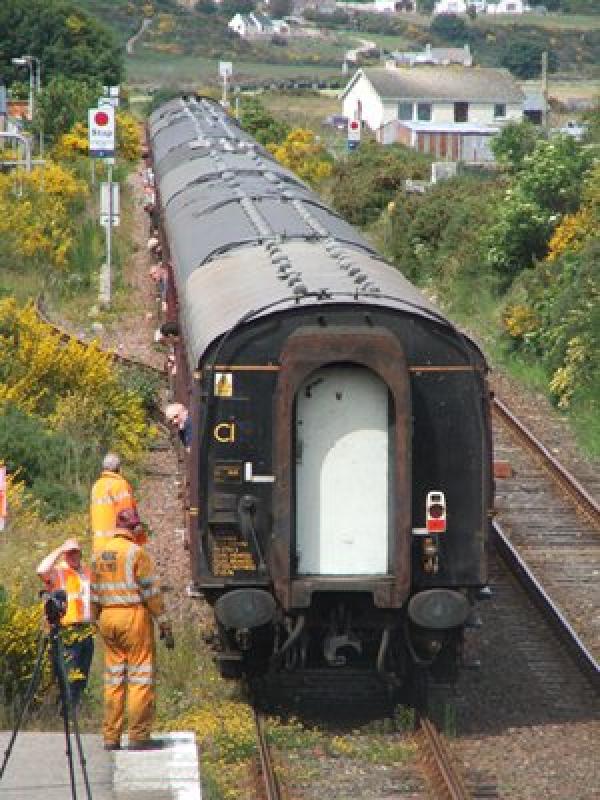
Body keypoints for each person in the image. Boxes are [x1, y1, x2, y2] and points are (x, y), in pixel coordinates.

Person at [91, 508, 174, 751]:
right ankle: (138, 736)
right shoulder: (136, 553)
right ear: (134, 529)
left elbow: (93, 592)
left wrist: (96, 618)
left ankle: (111, 736)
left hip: (107, 617)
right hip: (132, 617)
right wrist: (165, 624)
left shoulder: (98, 554)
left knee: (114, 679)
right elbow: (151, 593)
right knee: (139, 678)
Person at [36, 539, 94, 709]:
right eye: (69, 553)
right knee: (68, 675)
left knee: (82, 676)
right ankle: (65, 713)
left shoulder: (87, 572)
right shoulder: (58, 572)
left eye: (75, 552)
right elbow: (41, 570)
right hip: (66, 631)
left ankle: (72, 712)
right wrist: (60, 549)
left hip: (86, 630)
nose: (73, 556)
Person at [90, 453, 138, 552]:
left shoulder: (96, 486)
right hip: (117, 545)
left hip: (98, 546)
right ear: (119, 468)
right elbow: (128, 516)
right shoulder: (119, 485)